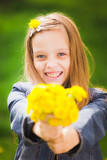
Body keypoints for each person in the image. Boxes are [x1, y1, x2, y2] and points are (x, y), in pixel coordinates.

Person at [7, 12, 107, 160]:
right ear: (32, 59)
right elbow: (21, 113)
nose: (51, 64)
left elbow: (88, 121)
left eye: (61, 54)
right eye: (41, 56)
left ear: (76, 56)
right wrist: (40, 127)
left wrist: (68, 137)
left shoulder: (98, 100)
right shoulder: (21, 92)